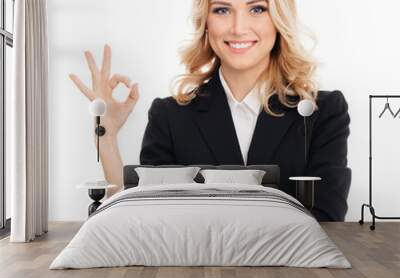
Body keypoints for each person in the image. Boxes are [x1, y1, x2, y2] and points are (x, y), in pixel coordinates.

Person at [69, 0, 351, 221]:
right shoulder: (169, 116)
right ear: (205, 22)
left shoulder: (323, 112)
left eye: (256, 8)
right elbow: (145, 215)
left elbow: (326, 217)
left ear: (279, 20)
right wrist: (107, 136)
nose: (238, 27)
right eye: (222, 9)